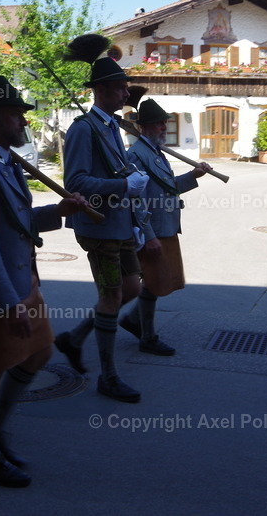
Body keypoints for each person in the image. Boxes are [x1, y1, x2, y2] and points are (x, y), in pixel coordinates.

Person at [0, 75, 87, 488]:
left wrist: (58, 212)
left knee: (39, 353)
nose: (23, 124)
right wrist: (9, 302)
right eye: (15, 116)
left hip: (20, 276)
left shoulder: (2, 160)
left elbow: (17, 220)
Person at [55, 47, 149, 403]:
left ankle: (74, 338)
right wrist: (123, 186)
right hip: (97, 227)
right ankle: (108, 376)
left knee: (132, 289)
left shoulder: (110, 127)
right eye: (121, 87)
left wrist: (135, 212)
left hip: (120, 224)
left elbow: (118, 171)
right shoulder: (83, 130)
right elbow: (75, 183)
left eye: (126, 88)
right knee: (111, 296)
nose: (127, 93)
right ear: (102, 90)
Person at [119, 98, 210, 354]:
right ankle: (146, 337)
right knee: (151, 282)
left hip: (165, 227)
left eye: (165, 123)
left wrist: (193, 176)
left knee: (156, 282)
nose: (164, 127)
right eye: (160, 123)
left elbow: (168, 189)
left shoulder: (155, 152)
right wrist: (148, 235)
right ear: (146, 126)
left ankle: (133, 321)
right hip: (153, 230)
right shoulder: (137, 155)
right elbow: (136, 200)